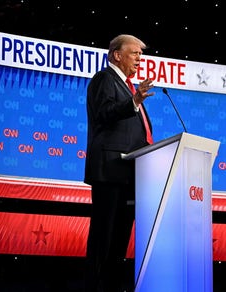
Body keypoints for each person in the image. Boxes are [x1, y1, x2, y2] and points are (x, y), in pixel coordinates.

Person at [84, 34, 155, 292]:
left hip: (129, 173)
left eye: (140, 54)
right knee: (104, 237)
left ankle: (111, 286)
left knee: (119, 240)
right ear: (116, 54)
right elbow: (104, 113)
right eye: (134, 53)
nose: (139, 58)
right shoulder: (105, 79)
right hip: (110, 170)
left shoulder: (128, 86)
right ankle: (95, 286)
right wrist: (134, 102)